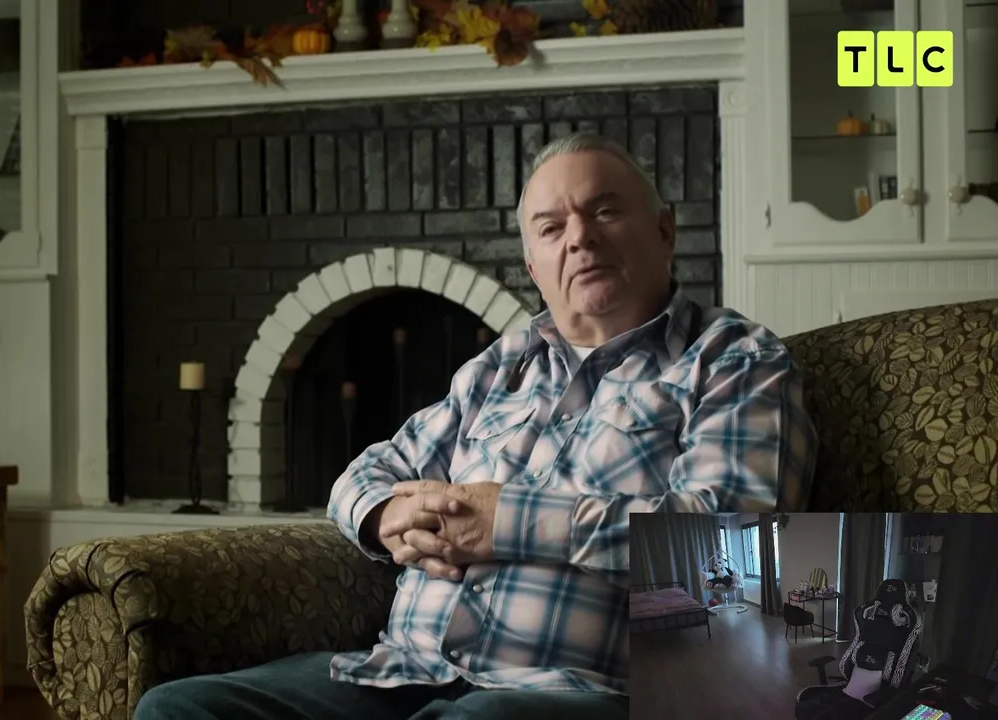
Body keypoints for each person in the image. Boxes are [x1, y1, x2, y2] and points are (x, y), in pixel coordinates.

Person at [133, 133, 819, 720]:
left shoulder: (732, 359)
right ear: (533, 267)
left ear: (666, 230)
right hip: (400, 672)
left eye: (605, 210)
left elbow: (733, 551)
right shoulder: (501, 367)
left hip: (578, 691)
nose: (580, 237)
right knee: (178, 709)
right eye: (551, 227)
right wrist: (385, 515)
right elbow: (369, 471)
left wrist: (508, 521)